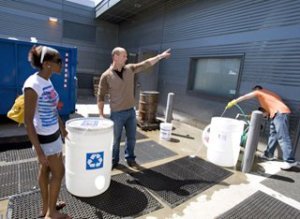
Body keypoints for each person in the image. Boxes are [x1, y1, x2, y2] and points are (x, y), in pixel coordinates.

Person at [97, 47, 171, 169]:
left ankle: (130, 158)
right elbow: (100, 96)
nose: (126, 58)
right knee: (115, 140)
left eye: (126, 56)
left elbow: (146, 64)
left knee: (131, 138)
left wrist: (160, 56)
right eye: (124, 56)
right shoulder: (106, 76)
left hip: (131, 112)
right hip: (117, 114)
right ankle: (114, 161)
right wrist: (100, 114)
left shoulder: (130, 69)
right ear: (115, 56)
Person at [24, 45, 71, 219]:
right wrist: (39, 152)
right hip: (46, 138)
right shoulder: (33, 85)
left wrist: (62, 127)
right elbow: (27, 121)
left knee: (45, 171)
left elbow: (52, 108)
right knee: (59, 172)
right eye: (58, 61)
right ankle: (51, 214)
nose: (62, 64)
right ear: (46, 64)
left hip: (52, 134)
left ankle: (47, 207)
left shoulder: (47, 80)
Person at [226, 85, 297, 170]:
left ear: (257, 89)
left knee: (283, 137)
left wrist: (234, 101)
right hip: (275, 114)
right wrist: (252, 116)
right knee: (273, 136)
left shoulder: (259, 92)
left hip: (280, 114)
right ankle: (268, 155)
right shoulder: (270, 95)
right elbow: (265, 112)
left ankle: (290, 161)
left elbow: (245, 97)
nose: (255, 96)